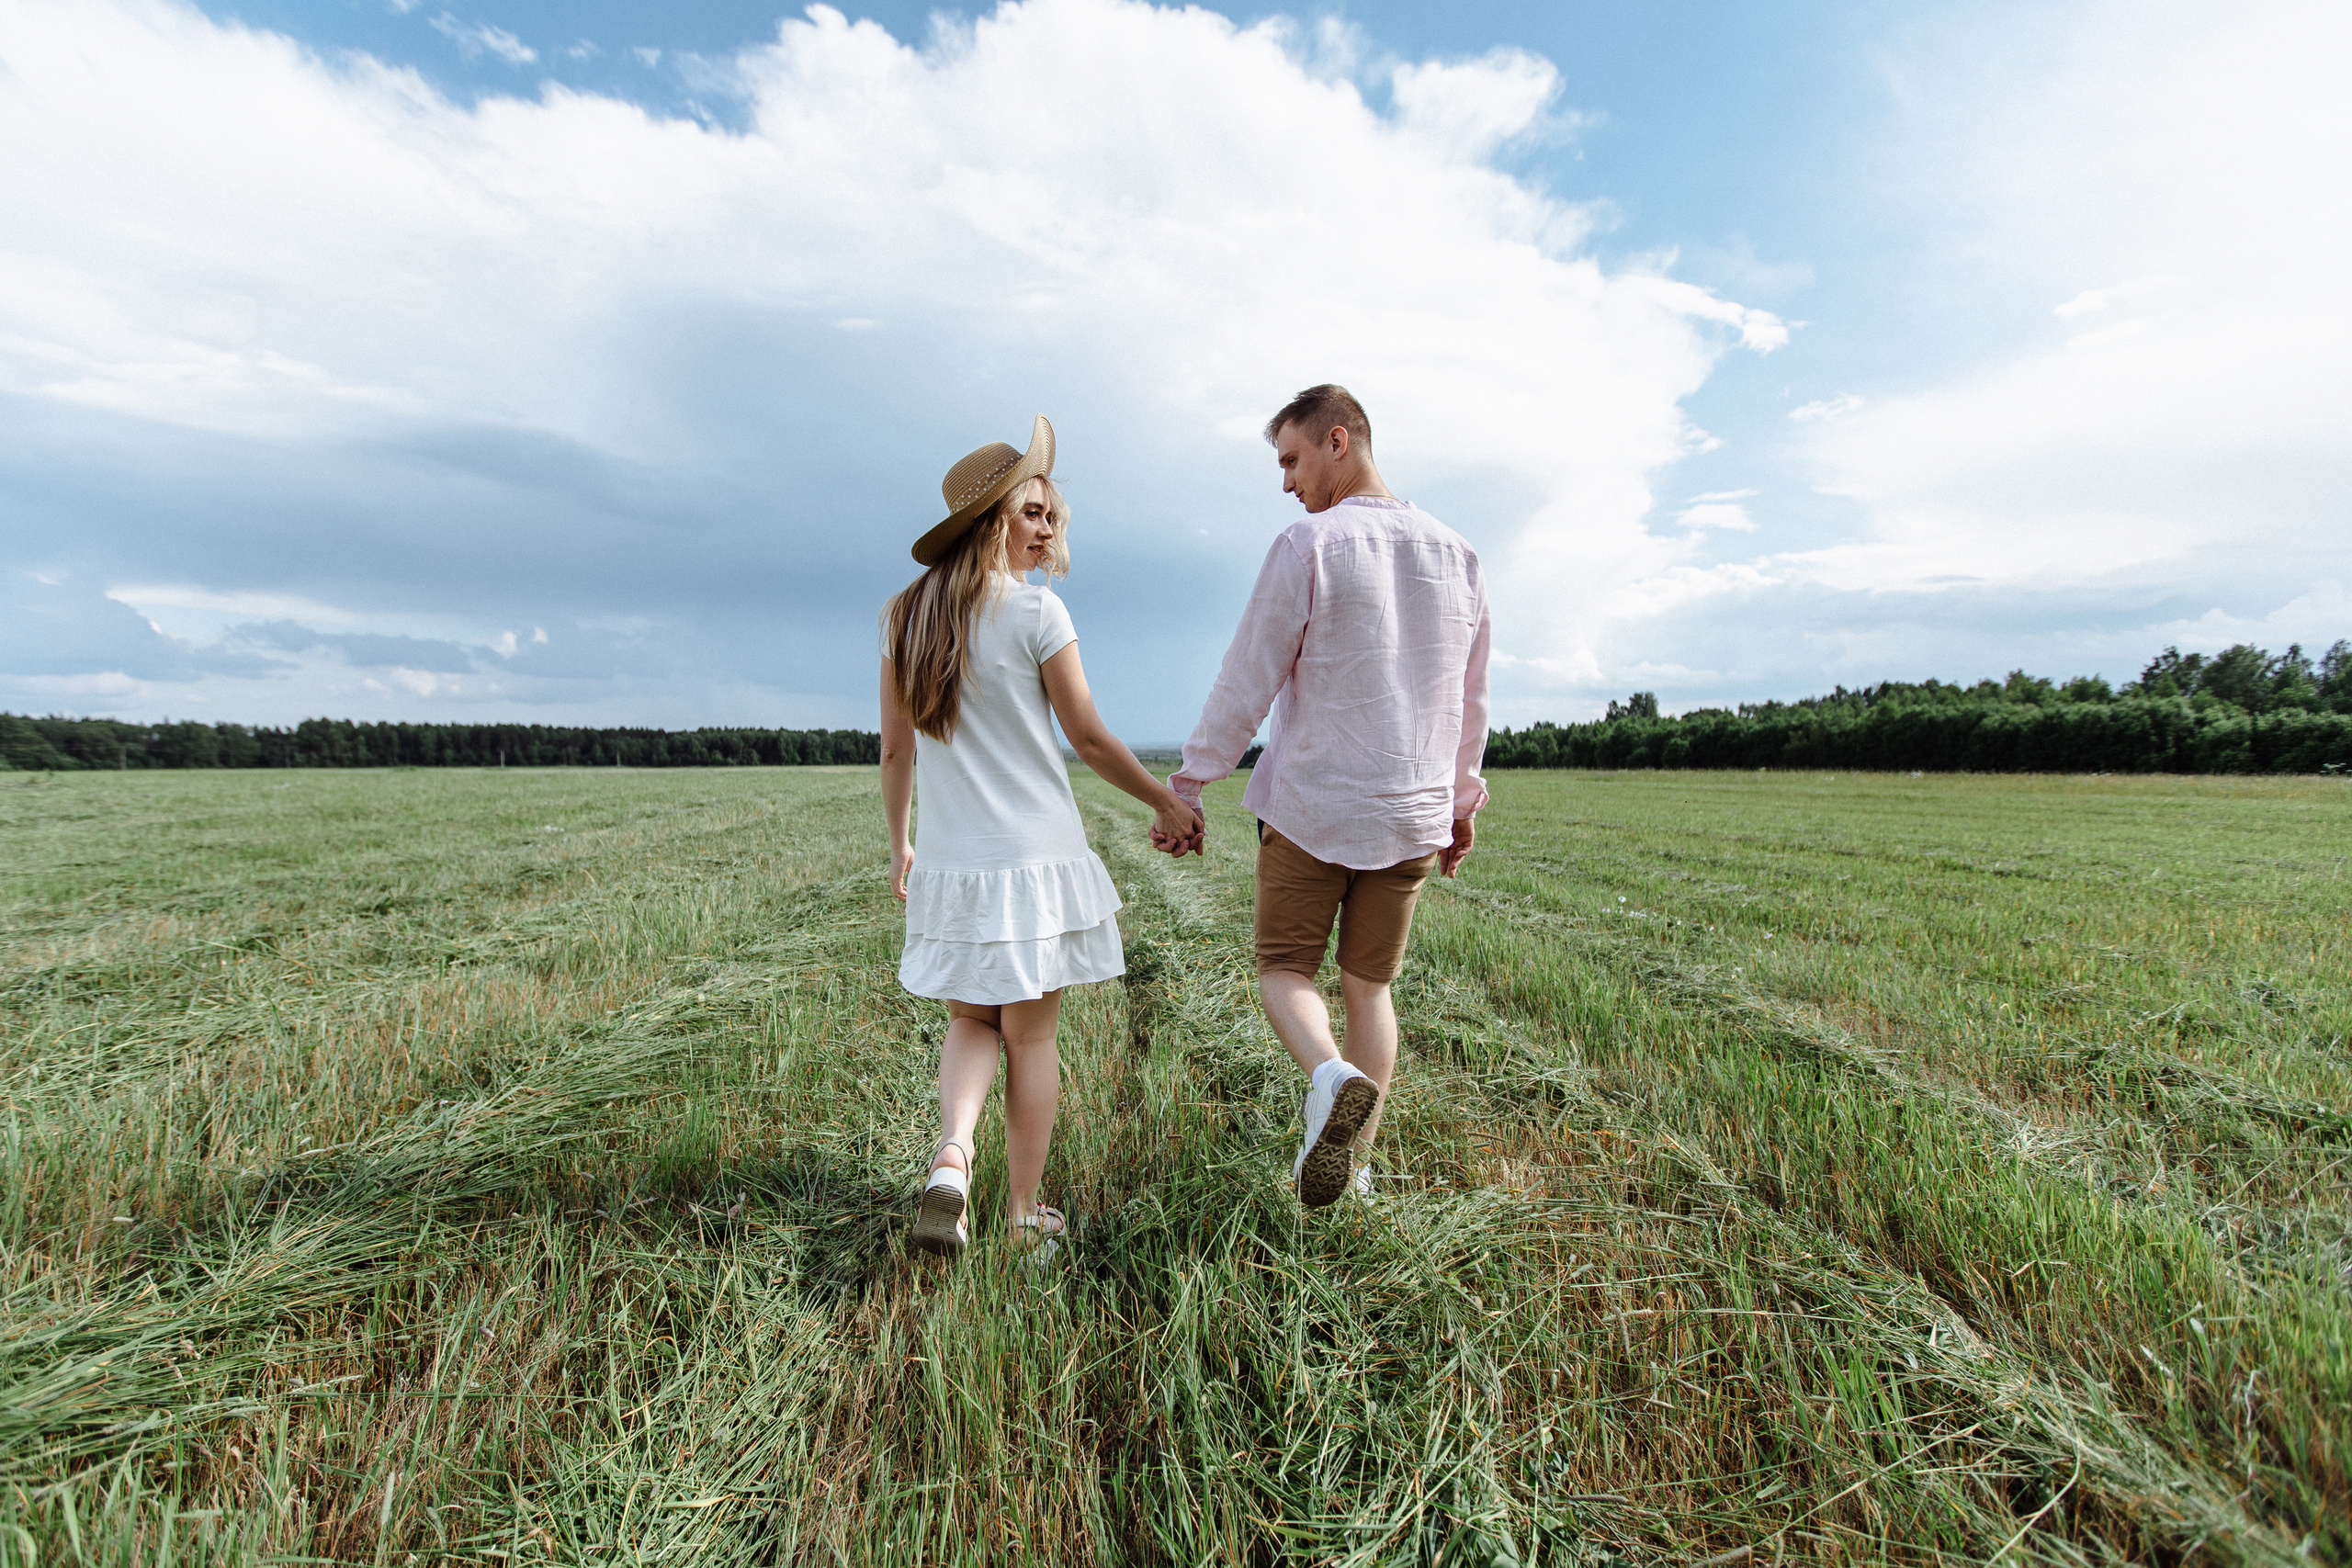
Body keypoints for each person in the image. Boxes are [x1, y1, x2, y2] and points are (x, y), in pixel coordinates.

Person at [881, 414, 1204, 1258]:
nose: (1048, 523)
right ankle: (1023, 1212)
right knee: (1030, 1036)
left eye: (1050, 510)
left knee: (970, 1023)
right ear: (993, 521)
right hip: (1030, 863)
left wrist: (899, 841)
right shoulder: (1036, 615)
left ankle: (953, 1157)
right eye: (1031, 509)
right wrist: (1166, 803)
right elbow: (1088, 737)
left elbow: (894, 746)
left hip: (955, 864)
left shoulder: (905, 619)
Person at [1160, 385, 1490, 1208]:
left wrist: (1192, 779)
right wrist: (1461, 803)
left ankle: (1329, 1076)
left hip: (1315, 805)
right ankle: (1358, 1168)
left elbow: (1249, 674)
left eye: (1292, 459)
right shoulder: (1460, 553)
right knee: (1370, 989)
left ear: (1338, 440)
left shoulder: (1310, 545)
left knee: (1282, 969)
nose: (1286, 482)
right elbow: (1470, 700)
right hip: (1412, 811)